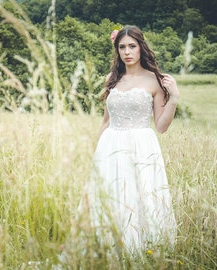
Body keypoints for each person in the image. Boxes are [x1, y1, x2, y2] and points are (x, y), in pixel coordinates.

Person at [84, 25, 179, 255]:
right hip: (110, 145)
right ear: (117, 50)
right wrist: (95, 155)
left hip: (141, 146)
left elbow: (161, 126)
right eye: (122, 47)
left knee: (140, 196)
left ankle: (141, 249)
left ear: (141, 48)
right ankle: (107, 247)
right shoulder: (112, 79)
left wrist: (174, 98)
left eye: (132, 46)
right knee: (111, 195)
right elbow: (106, 121)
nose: (127, 52)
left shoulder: (155, 81)